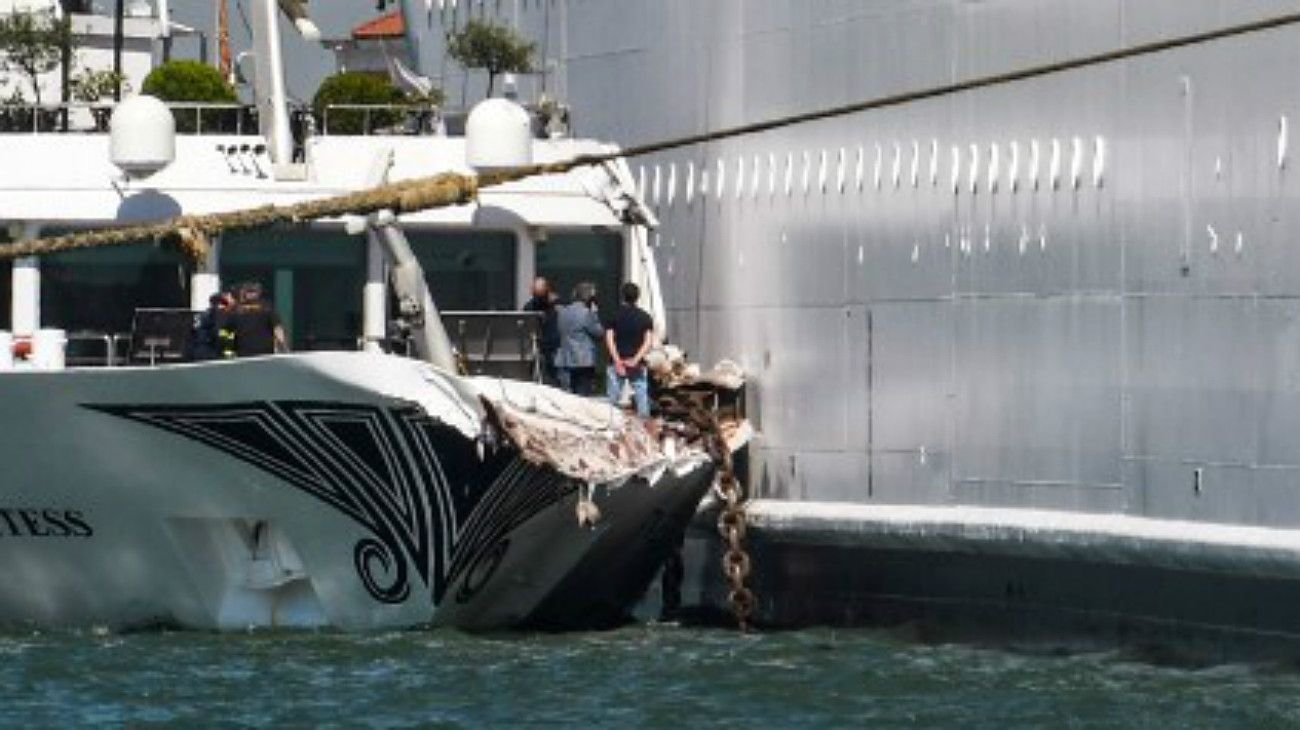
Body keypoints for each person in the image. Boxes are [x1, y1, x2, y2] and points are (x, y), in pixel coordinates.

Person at [605, 281, 655, 417]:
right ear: (637, 297)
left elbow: (609, 339)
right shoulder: (645, 317)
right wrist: (636, 359)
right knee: (641, 396)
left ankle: (610, 424)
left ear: (622, 296)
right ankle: (644, 424)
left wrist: (617, 360)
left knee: (612, 399)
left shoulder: (614, 315)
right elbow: (648, 342)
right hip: (637, 363)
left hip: (617, 361)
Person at [554, 282, 604, 396]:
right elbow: (599, 333)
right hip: (583, 359)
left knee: (567, 394)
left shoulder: (563, 312)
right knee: (583, 394)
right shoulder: (587, 313)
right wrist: (595, 313)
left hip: (565, 356)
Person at [227, 281, 288, 357]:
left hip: (252, 352)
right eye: (249, 291)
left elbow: (277, 328)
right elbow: (277, 328)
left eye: (252, 291)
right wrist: (284, 347)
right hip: (254, 351)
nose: (250, 294)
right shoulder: (266, 308)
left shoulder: (236, 310)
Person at [523, 276, 560, 385]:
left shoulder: (556, 305)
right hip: (537, 345)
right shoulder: (530, 307)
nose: (539, 298)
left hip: (554, 346)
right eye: (536, 294)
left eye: (541, 294)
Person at [189, 291, 233, 361]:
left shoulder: (204, 314)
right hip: (208, 353)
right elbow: (218, 335)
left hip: (197, 351)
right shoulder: (218, 315)